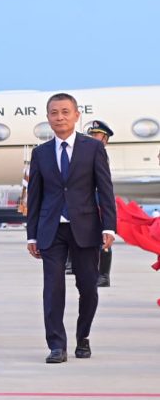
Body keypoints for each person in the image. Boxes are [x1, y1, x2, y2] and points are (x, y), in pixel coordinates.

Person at [27, 93, 116, 364]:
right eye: (54, 113)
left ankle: (83, 336)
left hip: (86, 228)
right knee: (52, 288)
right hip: (52, 229)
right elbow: (35, 197)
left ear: (77, 115)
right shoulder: (40, 153)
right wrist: (31, 235)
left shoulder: (93, 148)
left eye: (65, 112)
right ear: (48, 117)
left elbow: (105, 189)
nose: (60, 117)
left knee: (88, 287)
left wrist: (109, 227)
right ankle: (56, 345)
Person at [87, 120, 115, 288]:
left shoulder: (100, 153)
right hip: (88, 197)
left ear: (105, 139)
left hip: (98, 199)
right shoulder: (88, 152)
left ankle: (104, 275)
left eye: (96, 134)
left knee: (102, 237)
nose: (93, 137)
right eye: (92, 134)